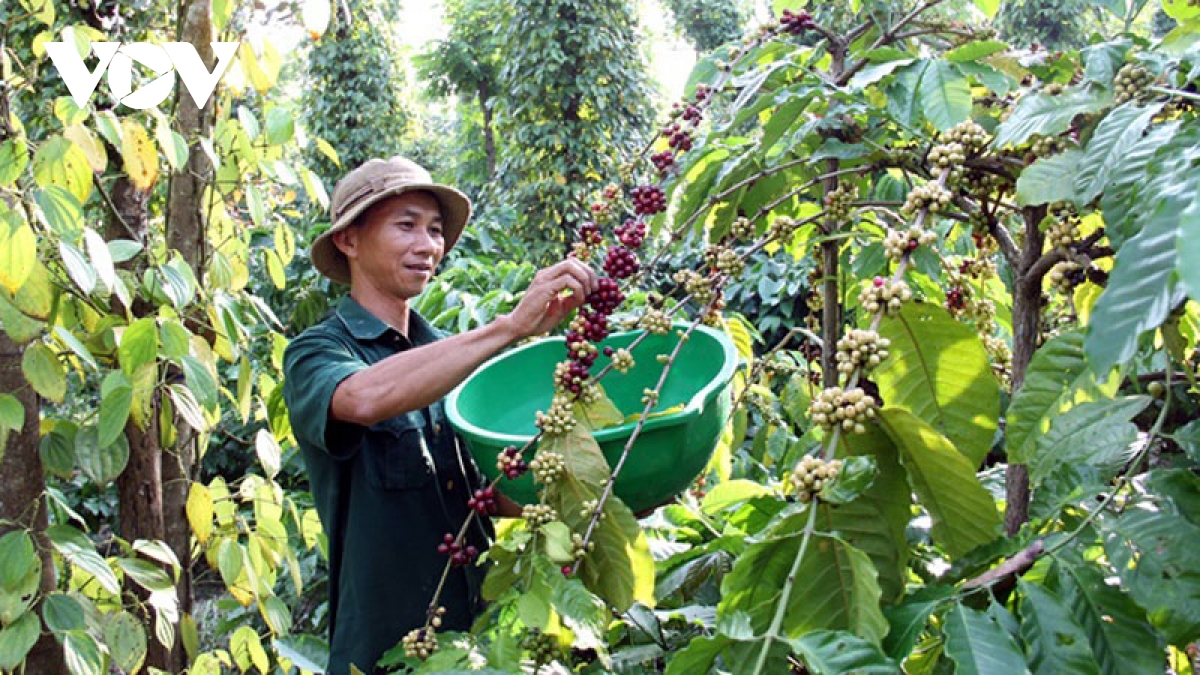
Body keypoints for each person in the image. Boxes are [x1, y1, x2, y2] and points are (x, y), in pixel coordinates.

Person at [282, 156, 597, 674]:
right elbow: (362, 399)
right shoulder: (317, 353)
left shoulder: (447, 359)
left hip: (476, 644)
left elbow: (483, 492)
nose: (428, 245)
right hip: (387, 653)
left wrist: (592, 497)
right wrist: (509, 327)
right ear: (349, 241)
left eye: (434, 230)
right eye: (406, 226)